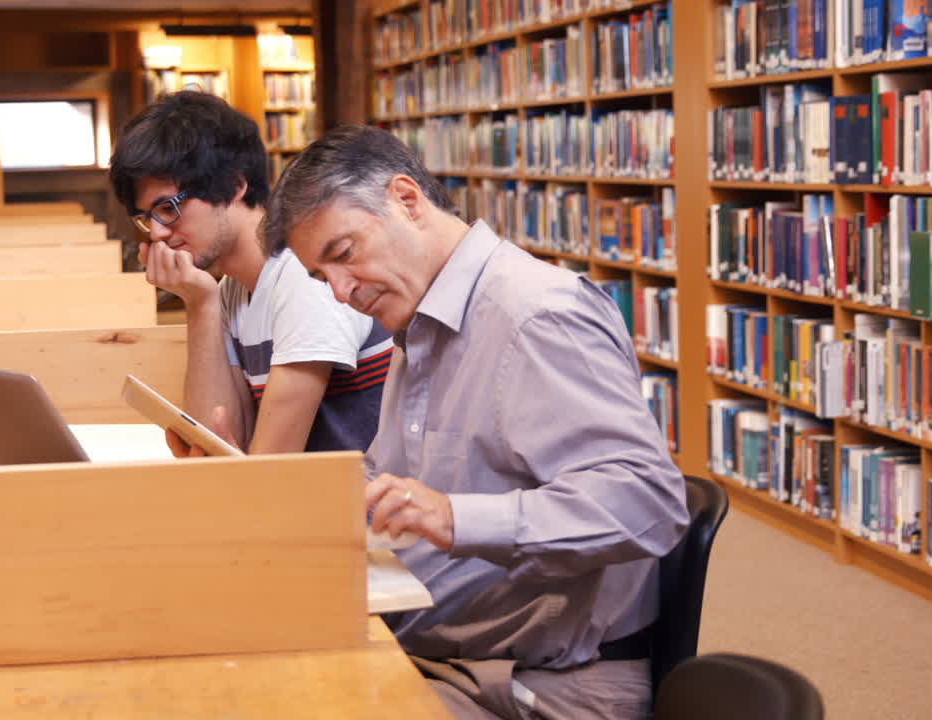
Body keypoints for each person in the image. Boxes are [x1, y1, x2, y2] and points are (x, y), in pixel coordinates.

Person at [262, 125, 689, 720]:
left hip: (536, 683)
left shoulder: (535, 317)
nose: (340, 293)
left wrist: (452, 516)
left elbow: (647, 501)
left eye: (343, 254)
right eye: (321, 277)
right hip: (445, 652)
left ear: (406, 201)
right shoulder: (418, 320)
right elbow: (391, 478)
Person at [109, 92, 391, 455]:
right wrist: (199, 303)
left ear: (235, 184)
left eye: (168, 208)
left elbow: (268, 469)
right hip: (299, 502)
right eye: (148, 217)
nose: (158, 232)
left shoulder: (306, 278)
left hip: (352, 508)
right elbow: (211, 443)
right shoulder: (231, 289)